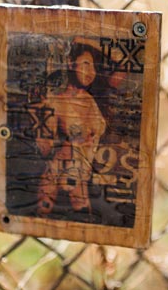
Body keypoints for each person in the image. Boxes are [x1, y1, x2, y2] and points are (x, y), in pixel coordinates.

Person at [35, 41, 106, 215]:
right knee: (48, 189)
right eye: (86, 64)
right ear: (71, 64)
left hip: (81, 164)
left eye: (94, 67)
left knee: (80, 198)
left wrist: (90, 137)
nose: (91, 72)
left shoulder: (88, 100)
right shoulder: (58, 101)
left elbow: (99, 127)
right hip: (60, 162)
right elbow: (45, 141)